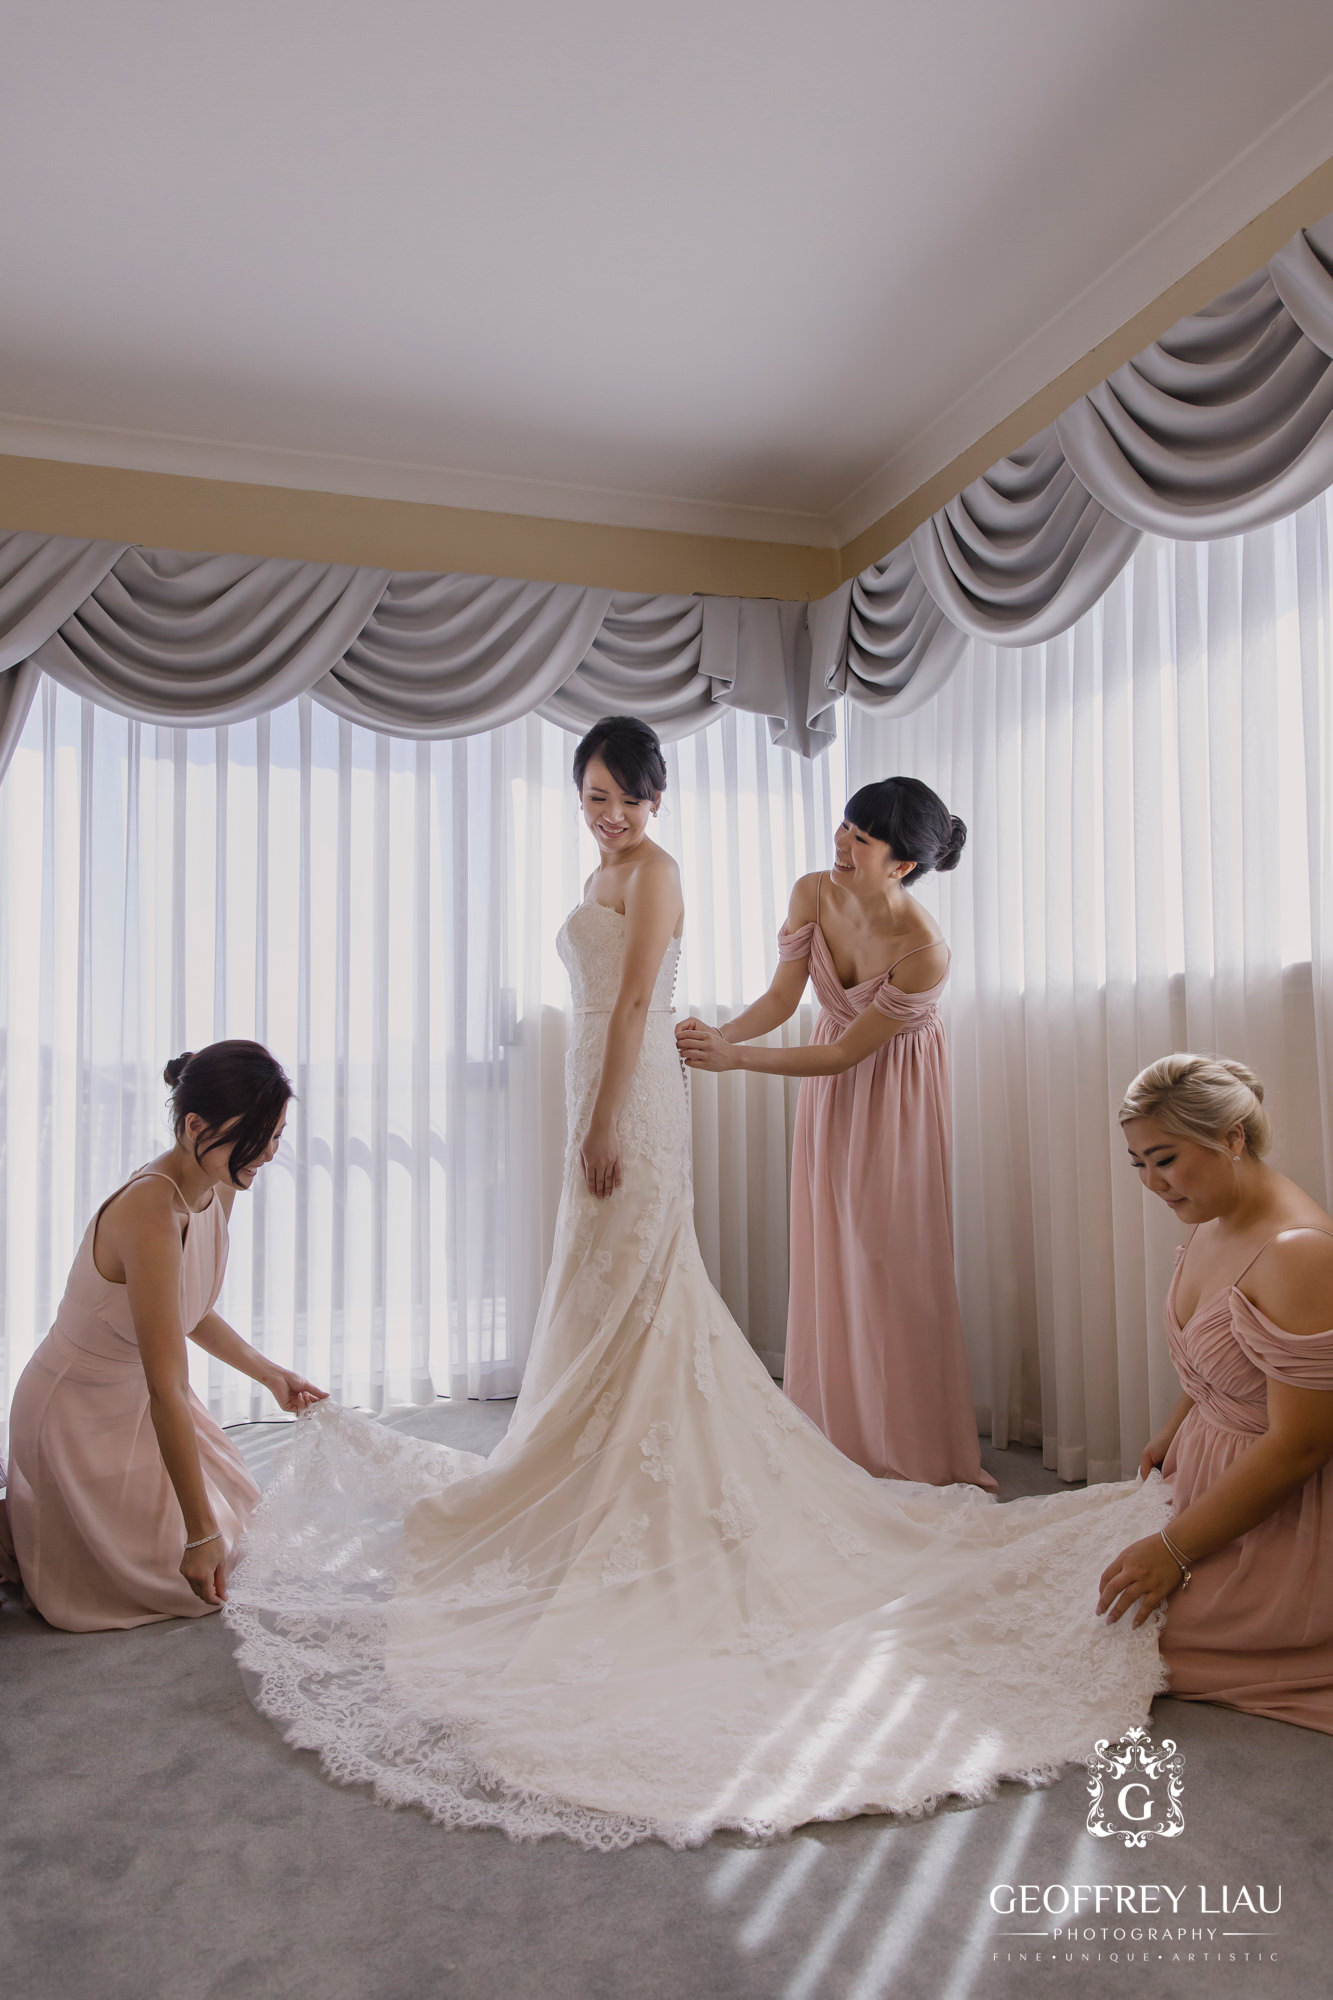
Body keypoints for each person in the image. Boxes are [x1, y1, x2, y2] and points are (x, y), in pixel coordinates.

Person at [226, 718, 1168, 1850]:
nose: (604, 812)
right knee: (604, 1278)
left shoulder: (706, 885)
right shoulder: (662, 873)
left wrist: (623, 1101)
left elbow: (651, 1008)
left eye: (620, 796)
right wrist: (706, 1040)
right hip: (628, 1070)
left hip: (691, 1085)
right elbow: (759, 997)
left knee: (702, 1271)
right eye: (589, 794)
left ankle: (835, 1439)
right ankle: (593, 1445)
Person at [675, 775, 991, 1490]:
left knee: (891, 1258)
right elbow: (783, 997)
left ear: (902, 864)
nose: (842, 842)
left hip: (895, 1092)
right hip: (831, 1089)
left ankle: (911, 1441)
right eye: (844, 825)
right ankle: (833, 1430)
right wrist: (717, 1037)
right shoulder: (812, 890)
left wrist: (737, 1061)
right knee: (832, 1243)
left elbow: (851, 1051)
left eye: (863, 836)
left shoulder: (923, 948)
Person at [2, 1041, 325, 1631]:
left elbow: (187, 1310)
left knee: (253, 1545)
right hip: (80, 1413)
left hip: (147, 1399)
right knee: (196, 1574)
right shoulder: (149, 1211)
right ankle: (25, 1524)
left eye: (277, 1135)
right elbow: (166, 1388)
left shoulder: (218, 1179)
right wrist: (197, 1533)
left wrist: (271, 1374)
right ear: (194, 1125)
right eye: (255, 1137)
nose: (267, 1154)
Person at [1099, 1054, 1333, 1731]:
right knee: (1057, 1597)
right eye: (1136, 1163)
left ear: (1232, 1137)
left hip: (1283, 1516)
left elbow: (1302, 1443)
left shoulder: (1298, 1254)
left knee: (1113, 1635)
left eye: (1163, 1159)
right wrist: (1175, 1427)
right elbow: (1230, 1359)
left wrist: (1172, 1549)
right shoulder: (1210, 1218)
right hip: (1205, 1480)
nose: (1150, 1183)